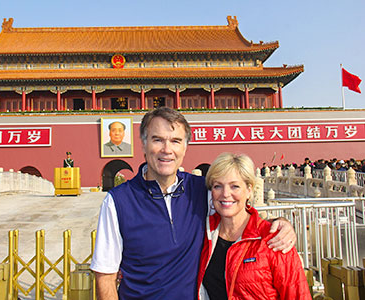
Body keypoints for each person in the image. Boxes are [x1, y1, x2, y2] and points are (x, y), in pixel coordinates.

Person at [91, 107, 296, 300]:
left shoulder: (201, 191)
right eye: (157, 140)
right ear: (143, 144)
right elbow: (105, 276)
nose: (167, 149)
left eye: (175, 141)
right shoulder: (118, 201)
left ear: (185, 147)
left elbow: (238, 214)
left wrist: (278, 224)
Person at [197, 153, 311, 300]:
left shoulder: (274, 239)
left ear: (249, 190)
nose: (225, 194)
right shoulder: (202, 234)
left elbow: (298, 295)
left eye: (235, 186)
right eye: (218, 186)